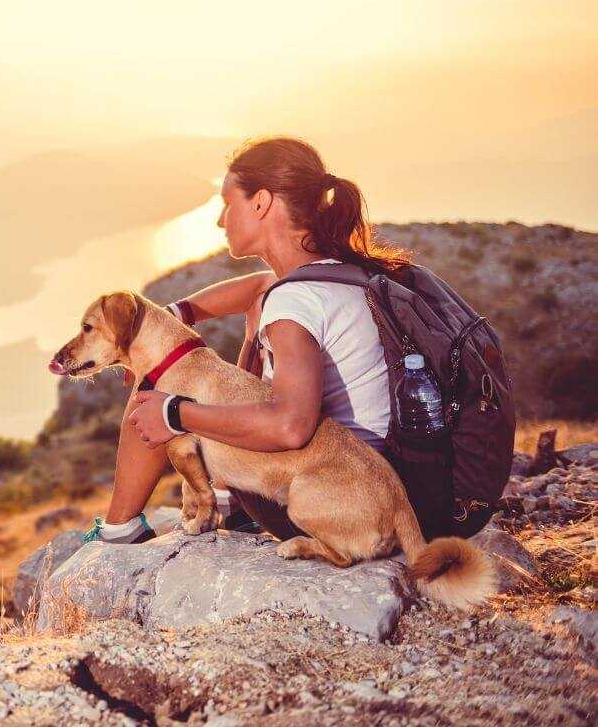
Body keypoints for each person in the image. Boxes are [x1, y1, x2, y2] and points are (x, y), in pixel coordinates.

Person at [83, 135, 409, 545]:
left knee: (156, 387)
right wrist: (177, 314)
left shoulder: (293, 303)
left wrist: (175, 413)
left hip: (336, 498)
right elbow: (258, 287)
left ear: (261, 203)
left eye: (227, 203)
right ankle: (216, 499)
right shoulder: (332, 272)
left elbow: (291, 428)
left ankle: (118, 531)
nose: (221, 219)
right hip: (378, 481)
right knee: (188, 379)